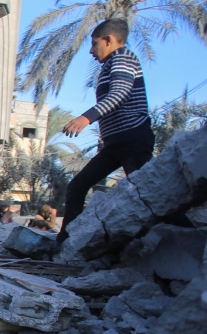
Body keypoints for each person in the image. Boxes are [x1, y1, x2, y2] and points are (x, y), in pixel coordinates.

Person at [58, 19, 154, 244]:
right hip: (115, 145)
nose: (91, 51)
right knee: (77, 187)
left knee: (147, 193)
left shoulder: (122, 58)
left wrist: (86, 118)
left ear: (108, 40)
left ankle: (188, 235)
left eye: (94, 44)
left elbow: (118, 94)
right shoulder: (109, 66)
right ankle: (65, 243)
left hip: (134, 140)